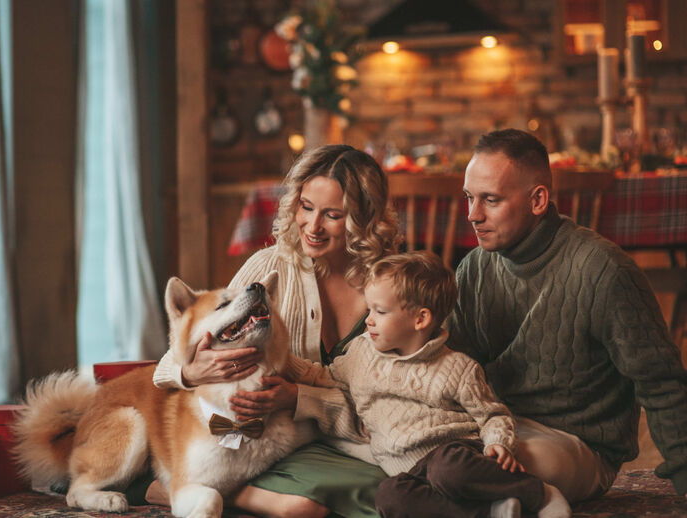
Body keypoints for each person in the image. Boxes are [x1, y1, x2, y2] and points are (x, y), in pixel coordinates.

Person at [151, 144, 402, 518]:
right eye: (306, 207)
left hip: (350, 435)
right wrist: (191, 372)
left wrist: (297, 397)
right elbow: (167, 367)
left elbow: (400, 391)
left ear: (362, 220)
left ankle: (191, 489)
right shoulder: (268, 267)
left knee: (394, 491)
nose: (312, 226)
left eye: (332, 215)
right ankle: (201, 489)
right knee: (308, 507)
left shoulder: (394, 283)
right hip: (279, 438)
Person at [447, 128, 687, 503]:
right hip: (497, 428)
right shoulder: (474, 269)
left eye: (490, 200)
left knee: (484, 466)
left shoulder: (602, 270)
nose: (473, 215)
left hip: (575, 445)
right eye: (469, 198)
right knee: (427, 449)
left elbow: (661, 383)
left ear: (538, 199)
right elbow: (452, 369)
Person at [291, 251, 571, 518]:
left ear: (420, 319)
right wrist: (282, 364)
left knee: (446, 468)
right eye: (369, 309)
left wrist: (498, 443)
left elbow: (493, 415)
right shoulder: (360, 355)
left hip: (457, 454)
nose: (368, 320)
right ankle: (489, 513)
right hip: (410, 471)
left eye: (380, 311)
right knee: (390, 496)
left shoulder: (457, 368)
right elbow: (324, 376)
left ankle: (538, 493)